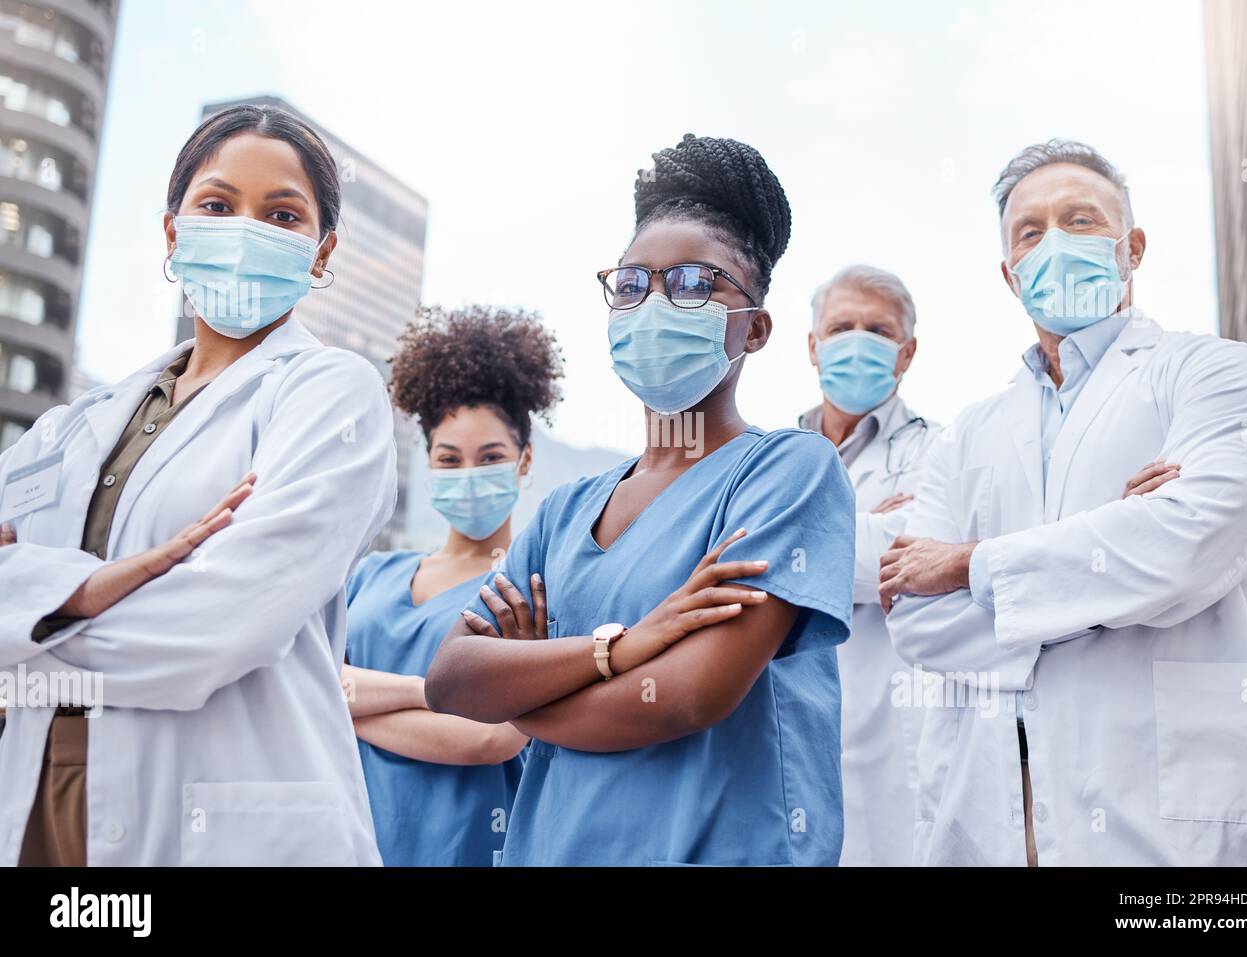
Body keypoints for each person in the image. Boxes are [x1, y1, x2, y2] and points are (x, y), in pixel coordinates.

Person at [425, 134, 856, 867]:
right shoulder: (565, 512)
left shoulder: (788, 470)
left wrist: (526, 693)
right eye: (632, 283)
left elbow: (689, 695)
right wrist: (621, 646)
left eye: (694, 283)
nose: (655, 302)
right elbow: (451, 679)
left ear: (753, 328)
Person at [880, 139, 1247, 866]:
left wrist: (971, 565)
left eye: (1081, 220)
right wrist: (1114, 556)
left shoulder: (1213, 373)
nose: (1056, 244)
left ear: (1130, 247)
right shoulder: (968, 433)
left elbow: (1189, 545)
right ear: (1010, 274)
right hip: (1001, 811)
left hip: (1175, 823)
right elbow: (915, 615)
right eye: (1031, 232)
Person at [0, 105, 396, 866]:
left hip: (230, 829)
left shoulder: (332, 395)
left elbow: (221, 625)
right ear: (174, 232)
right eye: (217, 205)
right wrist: (84, 593)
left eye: (282, 214)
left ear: (321, 253)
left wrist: (31, 631)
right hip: (41, 817)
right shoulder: (66, 429)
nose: (246, 229)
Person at [343, 306, 563, 865]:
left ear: (525, 459)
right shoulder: (369, 577)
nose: (468, 474)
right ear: (428, 464)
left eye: (490, 457)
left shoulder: (531, 590)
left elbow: (492, 739)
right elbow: (306, 688)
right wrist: (436, 696)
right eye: (450, 459)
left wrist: (349, 705)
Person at [800, 264, 936, 867]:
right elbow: (722, 560)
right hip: (789, 730)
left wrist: (784, 546)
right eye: (841, 326)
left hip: (894, 731)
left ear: (906, 353)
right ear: (812, 345)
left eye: (878, 330)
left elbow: (910, 559)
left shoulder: (940, 450)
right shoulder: (774, 455)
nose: (858, 340)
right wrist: (861, 528)